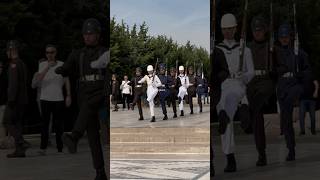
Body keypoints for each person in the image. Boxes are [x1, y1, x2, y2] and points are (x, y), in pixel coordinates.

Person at [55, 18, 108, 179]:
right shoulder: (78, 53)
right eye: (85, 33)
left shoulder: (105, 52)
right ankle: (100, 173)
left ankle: (75, 135)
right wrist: (60, 70)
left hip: (99, 92)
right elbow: (66, 68)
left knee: (89, 106)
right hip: (84, 93)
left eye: (90, 33)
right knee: (92, 136)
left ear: (98, 35)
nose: (87, 36)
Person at [215, 13, 254, 172]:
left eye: (230, 29)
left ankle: (242, 109)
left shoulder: (245, 49)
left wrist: (243, 76)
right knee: (226, 121)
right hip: (223, 86)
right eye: (225, 29)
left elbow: (250, 72)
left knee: (231, 101)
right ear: (222, 30)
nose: (228, 32)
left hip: (238, 83)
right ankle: (230, 158)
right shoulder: (217, 50)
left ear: (236, 29)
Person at [275, 24, 311, 161]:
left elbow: (307, 70)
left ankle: (291, 149)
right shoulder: (276, 53)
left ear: (290, 37)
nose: (284, 39)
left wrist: (302, 76)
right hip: (282, 86)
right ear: (279, 38)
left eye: (286, 36)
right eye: (282, 37)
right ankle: (291, 149)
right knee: (286, 120)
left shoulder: (298, 52)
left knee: (289, 103)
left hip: (295, 85)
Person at [247, 16, 276, 166]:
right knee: (254, 118)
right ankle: (261, 152)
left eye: (260, 30)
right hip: (252, 84)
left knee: (257, 108)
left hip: (265, 82)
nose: (257, 33)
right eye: (255, 30)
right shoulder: (247, 48)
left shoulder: (270, 46)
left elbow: (280, 65)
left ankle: (262, 153)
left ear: (265, 31)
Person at [32, 44, 72, 155]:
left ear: (55, 53)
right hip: (45, 98)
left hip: (58, 98)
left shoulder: (62, 65)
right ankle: (43, 148)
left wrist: (69, 95)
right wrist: (47, 67)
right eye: (47, 52)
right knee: (44, 124)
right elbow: (38, 80)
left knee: (59, 124)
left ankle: (60, 148)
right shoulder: (42, 65)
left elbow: (66, 80)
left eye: (51, 52)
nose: (49, 54)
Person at [3, 40, 30, 158]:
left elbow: (13, 84)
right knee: (17, 123)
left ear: (11, 50)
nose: (6, 53)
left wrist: (11, 99)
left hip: (15, 100)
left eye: (7, 50)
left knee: (6, 121)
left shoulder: (13, 64)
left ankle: (21, 142)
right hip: (23, 99)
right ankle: (20, 151)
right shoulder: (22, 63)